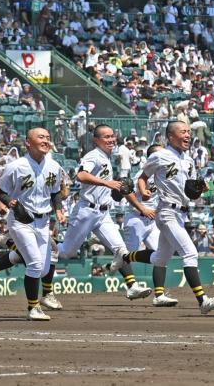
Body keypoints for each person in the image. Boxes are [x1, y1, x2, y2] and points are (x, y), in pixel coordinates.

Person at [121, 121, 214, 314]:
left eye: (188, 132)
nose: (187, 135)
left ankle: (124, 257)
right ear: (170, 136)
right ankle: (203, 301)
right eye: (183, 132)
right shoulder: (159, 156)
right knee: (190, 253)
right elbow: (142, 177)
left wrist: (200, 189)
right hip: (167, 211)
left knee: (160, 257)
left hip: (181, 213)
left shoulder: (189, 160)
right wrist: (143, 192)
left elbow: (193, 190)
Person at [55, 125, 153, 301]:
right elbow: (81, 176)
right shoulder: (93, 156)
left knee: (121, 249)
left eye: (112, 136)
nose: (111, 140)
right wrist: (107, 184)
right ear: (96, 140)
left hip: (103, 213)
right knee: (66, 252)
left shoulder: (106, 157)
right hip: (86, 210)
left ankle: (132, 287)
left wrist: (120, 194)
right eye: (106, 137)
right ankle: (45, 243)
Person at [0, 128, 66, 321]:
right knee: (34, 264)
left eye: (48, 138)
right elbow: (0, 190)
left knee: (42, 269)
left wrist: (58, 209)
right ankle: (33, 308)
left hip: (43, 221)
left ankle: (9, 244)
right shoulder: (16, 166)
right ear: (27, 142)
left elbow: (56, 192)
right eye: (41, 137)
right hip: (21, 220)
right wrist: (9, 202)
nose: (46, 141)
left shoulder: (54, 166)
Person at [122, 144, 179, 306]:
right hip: (136, 218)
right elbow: (127, 191)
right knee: (126, 254)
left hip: (153, 221)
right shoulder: (142, 174)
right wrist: (142, 208)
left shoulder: (165, 175)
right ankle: (130, 284)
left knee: (162, 255)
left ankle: (159, 295)